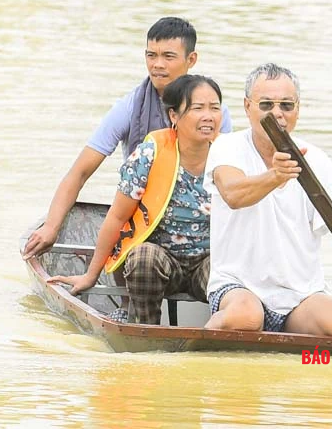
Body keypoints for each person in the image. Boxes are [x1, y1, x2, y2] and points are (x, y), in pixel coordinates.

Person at [203, 63, 332, 337]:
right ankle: (200, 344)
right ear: (247, 107)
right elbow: (233, 194)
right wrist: (275, 176)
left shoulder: (316, 159)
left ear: (298, 110)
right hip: (238, 288)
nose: (277, 113)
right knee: (246, 316)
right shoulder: (227, 146)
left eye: (286, 106)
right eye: (266, 104)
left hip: (299, 297)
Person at [22, 17, 232, 261]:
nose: (157, 65)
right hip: (141, 219)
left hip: (195, 222)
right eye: (151, 55)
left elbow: (227, 179)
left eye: (168, 56)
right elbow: (80, 172)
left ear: (191, 59)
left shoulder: (213, 114)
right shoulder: (130, 107)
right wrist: (51, 227)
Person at [47, 75, 224, 324]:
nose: (209, 116)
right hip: (161, 260)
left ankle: (219, 337)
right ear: (174, 116)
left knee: (232, 273)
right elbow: (117, 216)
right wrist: (90, 275)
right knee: (144, 258)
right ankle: (144, 330)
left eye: (215, 108)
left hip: (207, 260)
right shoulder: (150, 152)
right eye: (197, 108)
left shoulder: (228, 154)